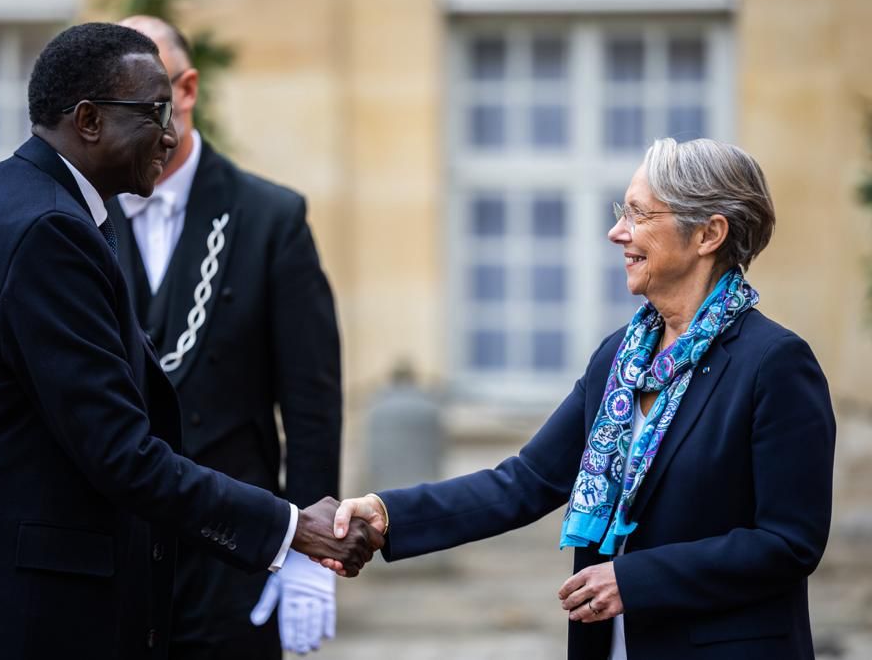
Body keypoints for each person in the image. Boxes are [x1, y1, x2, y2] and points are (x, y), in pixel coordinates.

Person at [0, 23, 379, 660]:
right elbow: (120, 454)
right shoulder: (49, 229)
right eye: (154, 111)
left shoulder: (49, 206)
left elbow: (307, 397)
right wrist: (292, 527)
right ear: (90, 120)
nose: (172, 132)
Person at [330, 138, 835, 660]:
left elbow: (787, 542)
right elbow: (524, 482)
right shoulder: (620, 357)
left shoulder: (774, 363)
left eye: (638, 215)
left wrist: (634, 579)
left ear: (708, 233)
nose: (618, 233)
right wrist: (390, 514)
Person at [106, 16, 342, 659]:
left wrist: (306, 553)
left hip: (233, 554)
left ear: (186, 88)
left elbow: (311, 405)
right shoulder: (77, 218)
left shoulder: (270, 218)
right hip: (107, 557)